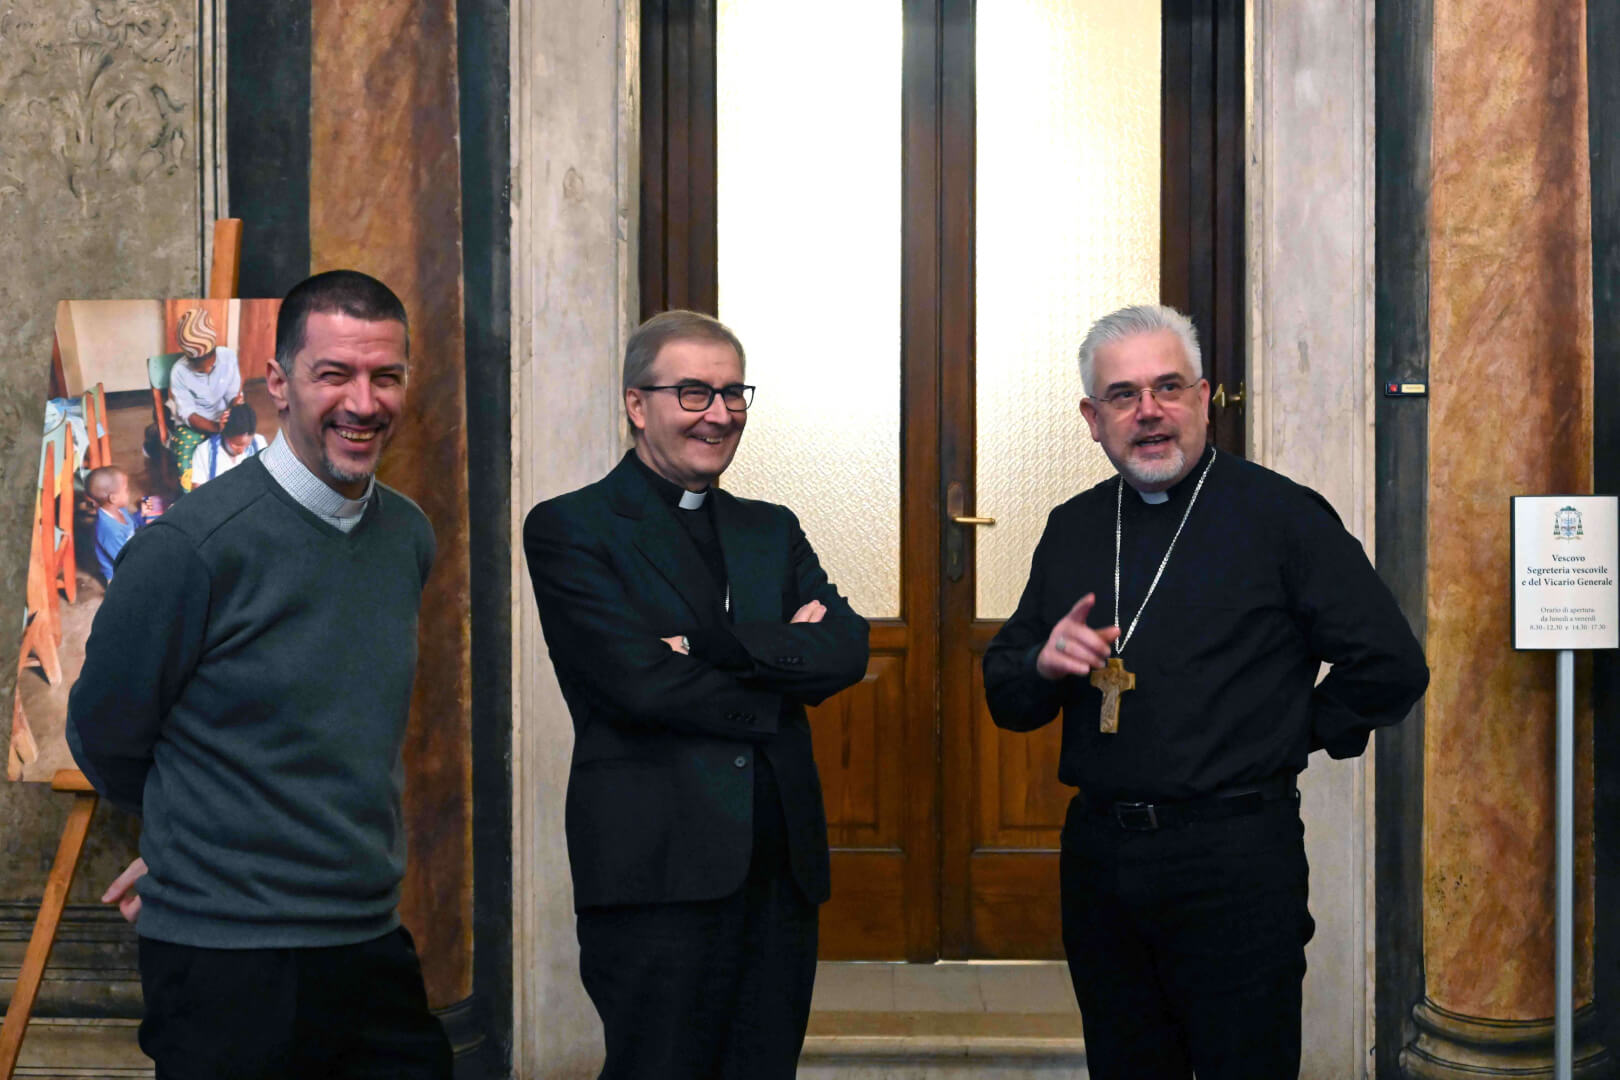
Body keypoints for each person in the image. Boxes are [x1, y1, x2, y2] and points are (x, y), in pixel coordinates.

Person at [982, 304, 1428, 1080]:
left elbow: (1389, 663)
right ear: (1092, 419)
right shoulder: (1073, 528)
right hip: (1102, 862)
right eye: (1123, 395)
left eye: (1168, 387)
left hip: (1236, 860)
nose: (1149, 411)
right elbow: (1007, 697)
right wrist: (1042, 666)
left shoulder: (1282, 516)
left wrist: (1290, 731)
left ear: (1204, 398)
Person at [67, 270, 451, 1079]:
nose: (363, 402)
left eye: (385, 376)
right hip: (225, 960)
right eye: (333, 374)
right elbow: (105, 732)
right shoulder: (190, 549)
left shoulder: (407, 536)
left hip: (368, 939)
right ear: (277, 384)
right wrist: (191, 839)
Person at [523, 309, 869, 1079]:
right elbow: (639, 684)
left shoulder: (771, 529)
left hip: (779, 873)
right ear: (636, 404)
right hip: (657, 872)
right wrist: (779, 668)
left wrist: (706, 646)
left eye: (731, 393)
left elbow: (846, 650)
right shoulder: (571, 528)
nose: (718, 413)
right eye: (692, 393)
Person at [166, 306, 244, 477]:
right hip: (193, 426)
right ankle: (195, 492)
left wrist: (232, 413)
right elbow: (189, 414)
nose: (208, 370)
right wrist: (216, 428)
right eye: (200, 370)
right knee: (186, 459)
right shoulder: (179, 372)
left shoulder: (228, 357)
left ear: (215, 350)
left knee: (241, 450)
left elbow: (233, 395)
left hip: (223, 419)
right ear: (189, 359)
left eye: (211, 365)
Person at [86, 465, 161, 582]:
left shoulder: (119, 510)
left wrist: (141, 514)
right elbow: (124, 560)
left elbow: (131, 524)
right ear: (113, 498)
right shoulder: (109, 530)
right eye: (126, 490)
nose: (129, 492)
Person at [185, 400, 267, 490]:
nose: (242, 451)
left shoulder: (259, 442)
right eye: (236, 445)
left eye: (247, 446)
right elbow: (198, 492)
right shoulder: (204, 452)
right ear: (225, 434)